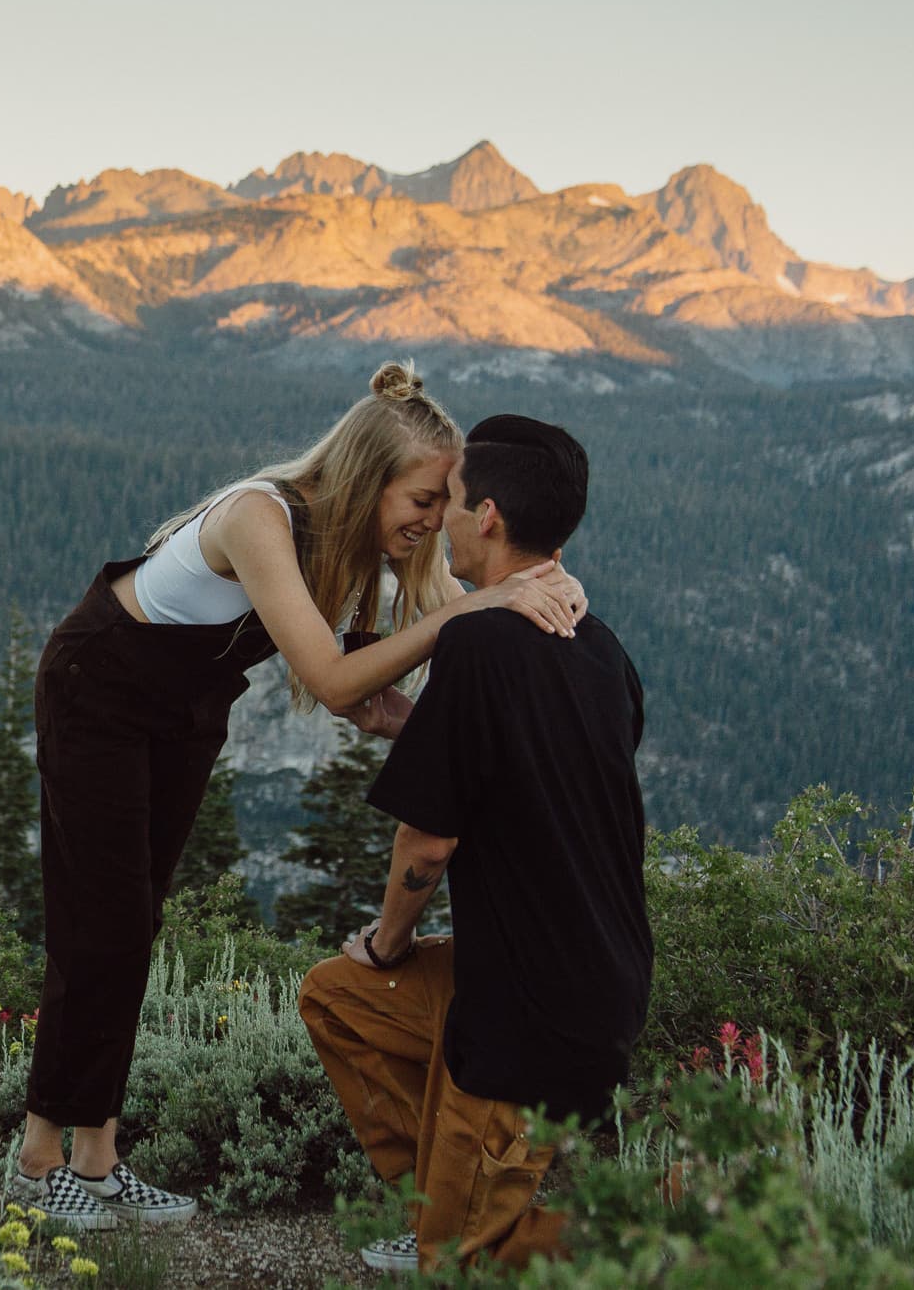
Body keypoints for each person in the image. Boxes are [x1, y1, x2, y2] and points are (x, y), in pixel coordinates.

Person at [10, 366, 591, 1231]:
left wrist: (535, 591)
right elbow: (329, 677)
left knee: (134, 920)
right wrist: (484, 607)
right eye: (426, 497)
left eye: (447, 503)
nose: (436, 520)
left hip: (184, 709)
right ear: (369, 474)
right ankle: (37, 1159)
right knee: (105, 926)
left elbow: (396, 674)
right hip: (99, 688)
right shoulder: (261, 516)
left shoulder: (365, 541)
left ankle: (96, 1157)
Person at [298, 414, 650, 1276]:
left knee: (456, 1269)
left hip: (523, 1016)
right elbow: (529, 779)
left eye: (449, 500)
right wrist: (409, 729)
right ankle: (441, 1195)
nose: (438, 521)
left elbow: (427, 843)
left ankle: (657, 1229)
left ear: (486, 515)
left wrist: (390, 941)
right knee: (339, 998)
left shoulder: (480, 641)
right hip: (594, 989)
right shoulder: (603, 651)